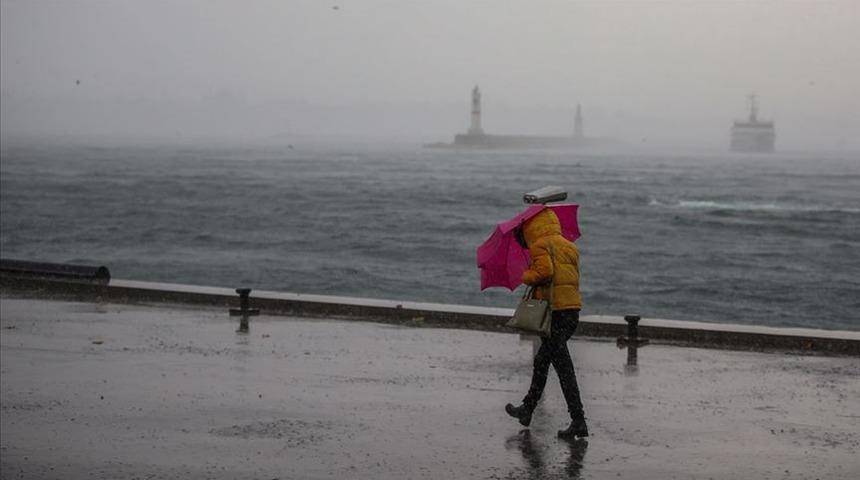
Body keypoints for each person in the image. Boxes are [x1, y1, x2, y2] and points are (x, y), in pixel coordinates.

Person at [505, 208, 588, 439]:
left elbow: (545, 272)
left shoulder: (540, 245)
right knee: (550, 363)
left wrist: (526, 275)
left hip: (555, 313)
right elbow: (567, 277)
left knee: (556, 365)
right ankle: (529, 410)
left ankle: (576, 419)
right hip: (571, 311)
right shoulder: (568, 245)